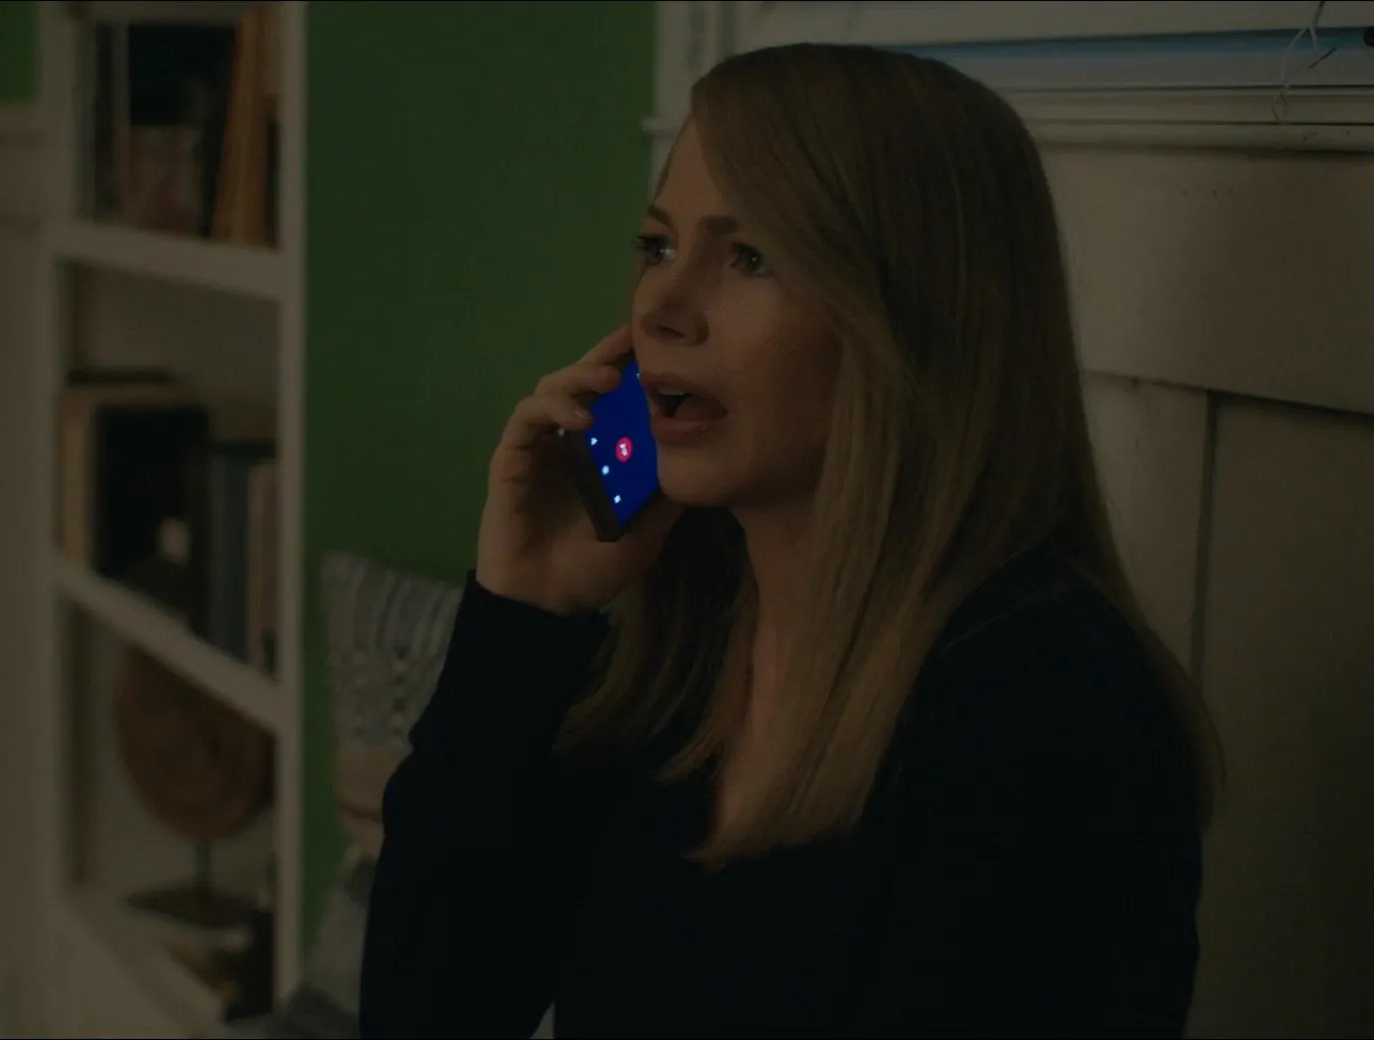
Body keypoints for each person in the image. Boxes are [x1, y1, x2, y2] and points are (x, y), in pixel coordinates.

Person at [358, 43, 1222, 1040]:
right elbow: (426, 1013)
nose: (661, 307)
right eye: (657, 246)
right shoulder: (676, 666)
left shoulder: (1045, 707)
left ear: (912, 322)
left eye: (752, 257)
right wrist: (528, 607)